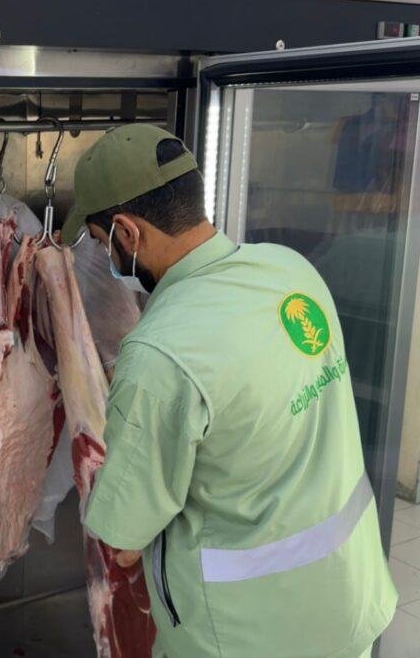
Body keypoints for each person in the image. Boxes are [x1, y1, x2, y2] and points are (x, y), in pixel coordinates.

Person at [60, 124, 397, 658]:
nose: (108, 258)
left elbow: (123, 539)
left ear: (127, 233)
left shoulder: (160, 353)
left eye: (102, 244)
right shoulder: (292, 271)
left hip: (247, 635)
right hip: (346, 604)